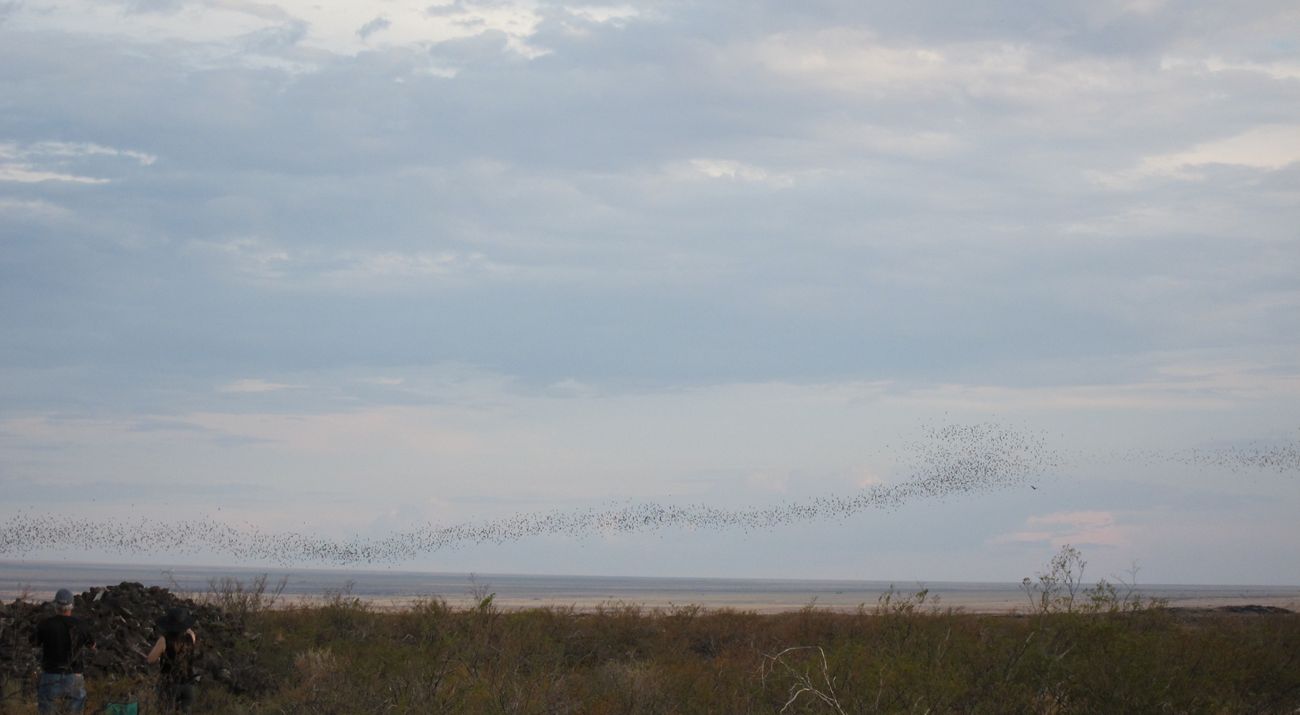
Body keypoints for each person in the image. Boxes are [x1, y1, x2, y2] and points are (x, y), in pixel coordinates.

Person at [30, 588, 95, 714]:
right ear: (72, 606)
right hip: (74, 676)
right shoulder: (81, 625)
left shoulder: (45, 624)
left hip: (50, 675)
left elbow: (33, 642)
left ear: (56, 605)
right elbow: (92, 646)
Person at [146, 607, 199, 713]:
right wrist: (184, 625)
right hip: (188, 685)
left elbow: (150, 659)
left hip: (169, 686)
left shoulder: (164, 640)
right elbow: (189, 630)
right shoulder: (191, 637)